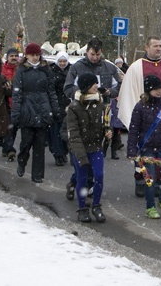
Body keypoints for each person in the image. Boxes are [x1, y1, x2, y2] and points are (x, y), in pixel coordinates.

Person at [118, 36, 161, 196]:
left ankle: (158, 182)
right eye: (155, 46)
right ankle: (141, 180)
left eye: (160, 46)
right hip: (144, 117)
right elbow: (129, 91)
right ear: (147, 47)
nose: (158, 49)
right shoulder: (137, 67)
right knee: (143, 152)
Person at [127, 75, 161, 219]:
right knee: (150, 178)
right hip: (147, 149)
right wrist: (132, 150)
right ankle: (150, 206)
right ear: (149, 90)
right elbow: (134, 130)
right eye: (156, 88)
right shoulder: (140, 107)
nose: (159, 91)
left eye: (160, 88)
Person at [11, 43, 61, 183]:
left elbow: (51, 91)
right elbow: (17, 93)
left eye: (37, 55)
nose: (35, 58)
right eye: (32, 55)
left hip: (43, 110)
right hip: (27, 110)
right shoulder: (21, 70)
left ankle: (37, 175)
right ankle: (22, 161)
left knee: (40, 145)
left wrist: (55, 109)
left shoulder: (46, 70)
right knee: (26, 142)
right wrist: (16, 113)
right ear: (27, 56)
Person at [66, 72, 111, 223]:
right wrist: (81, 156)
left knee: (99, 176)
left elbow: (103, 123)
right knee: (82, 178)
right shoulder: (74, 107)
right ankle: (82, 209)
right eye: (93, 84)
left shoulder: (99, 103)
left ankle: (97, 206)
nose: (97, 86)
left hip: (95, 146)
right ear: (86, 87)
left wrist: (107, 131)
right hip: (80, 149)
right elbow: (74, 134)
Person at [48, 51, 71, 166]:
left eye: (64, 61)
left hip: (68, 104)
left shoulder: (71, 71)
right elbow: (51, 89)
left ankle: (64, 152)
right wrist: (54, 105)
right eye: (60, 61)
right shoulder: (52, 72)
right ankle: (58, 154)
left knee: (66, 131)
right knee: (56, 132)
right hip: (56, 104)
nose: (62, 64)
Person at [1, 48, 20, 161]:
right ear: (7, 57)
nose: (13, 58)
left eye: (15, 56)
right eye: (11, 56)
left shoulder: (21, 69)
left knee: (14, 128)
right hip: (5, 104)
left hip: (17, 104)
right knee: (9, 127)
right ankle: (9, 149)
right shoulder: (2, 69)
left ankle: (6, 147)